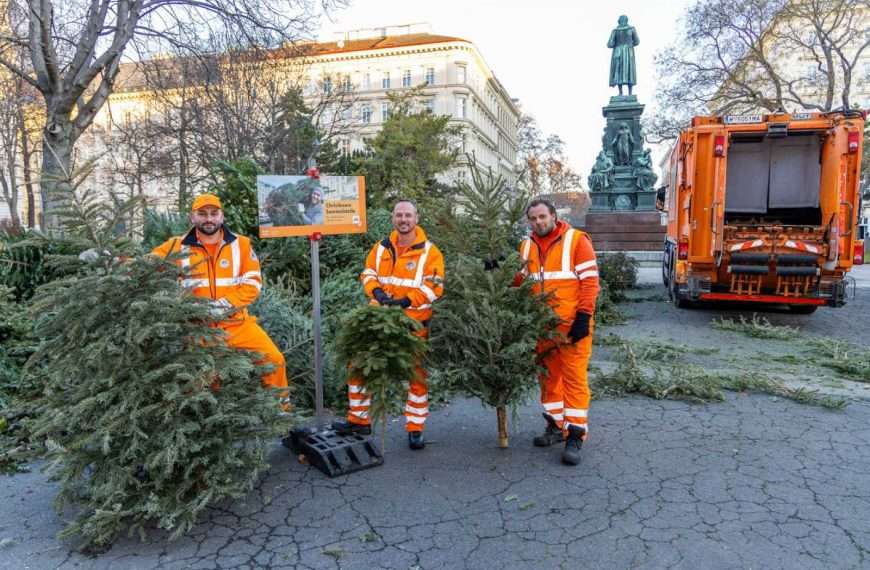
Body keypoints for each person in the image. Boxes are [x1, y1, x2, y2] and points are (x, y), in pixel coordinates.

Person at [152, 193, 288, 404]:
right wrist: (113, 258)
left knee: (274, 360)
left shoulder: (241, 245)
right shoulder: (176, 246)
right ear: (192, 217)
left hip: (238, 324)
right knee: (203, 380)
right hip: (199, 329)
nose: (209, 219)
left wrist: (224, 306)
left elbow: (252, 285)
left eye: (214, 213)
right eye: (202, 214)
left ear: (222, 216)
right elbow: (147, 265)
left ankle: (282, 417)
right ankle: (208, 426)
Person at [332, 199, 445, 450]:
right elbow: (368, 273)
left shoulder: (430, 251)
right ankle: (359, 420)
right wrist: (377, 293)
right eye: (399, 215)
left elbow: (434, 286)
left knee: (415, 375)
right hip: (379, 317)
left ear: (416, 218)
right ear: (393, 218)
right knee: (358, 365)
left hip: (413, 323)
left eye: (408, 215)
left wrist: (406, 301)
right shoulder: (381, 248)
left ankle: (415, 428)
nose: (403, 220)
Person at [516, 198, 600, 466]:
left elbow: (590, 282)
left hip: (571, 326)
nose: (538, 222)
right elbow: (521, 278)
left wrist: (584, 317)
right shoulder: (527, 245)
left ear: (553, 216)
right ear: (529, 221)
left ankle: (575, 433)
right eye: (533, 218)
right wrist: (498, 270)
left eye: (542, 216)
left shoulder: (577, 241)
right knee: (548, 378)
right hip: (542, 326)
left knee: (574, 378)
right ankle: (556, 425)